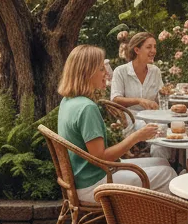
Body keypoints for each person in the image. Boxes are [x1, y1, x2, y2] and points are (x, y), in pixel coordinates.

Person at [57, 45, 176, 202]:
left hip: (84, 177)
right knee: (169, 175)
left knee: (162, 161)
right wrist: (136, 137)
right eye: (101, 69)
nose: (106, 73)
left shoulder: (68, 101)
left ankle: (143, 220)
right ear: (87, 72)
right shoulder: (87, 108)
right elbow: (101, 157)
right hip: (94, 184)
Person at [109, 32, 163, 114]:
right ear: (137, 50)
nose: (153, 51)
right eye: (149, 47)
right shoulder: (120, 71)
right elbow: (115, 99)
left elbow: (161, 97)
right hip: (130, 119)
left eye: (154, 47)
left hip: (153, 118)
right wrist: (139, 101)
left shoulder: (155, 71)